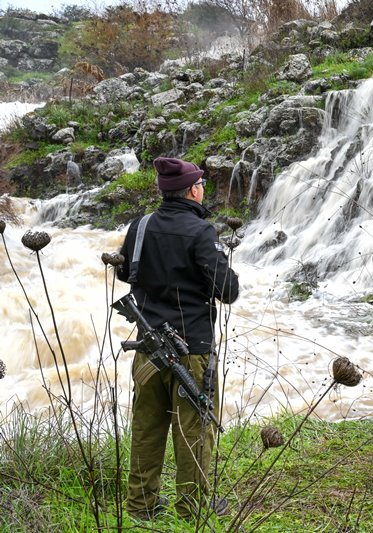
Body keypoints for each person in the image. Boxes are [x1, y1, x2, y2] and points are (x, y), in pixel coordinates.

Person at [117, 156, 239, 520]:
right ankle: (193, 509)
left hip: (148, 347)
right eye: (201, 185)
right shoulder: (202, 232)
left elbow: (126, 274)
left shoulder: (139, 227)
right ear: (193, 190)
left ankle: (141, 506)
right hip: (192, 349)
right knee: (194, 431)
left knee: (147, 427)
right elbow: (227, 290)